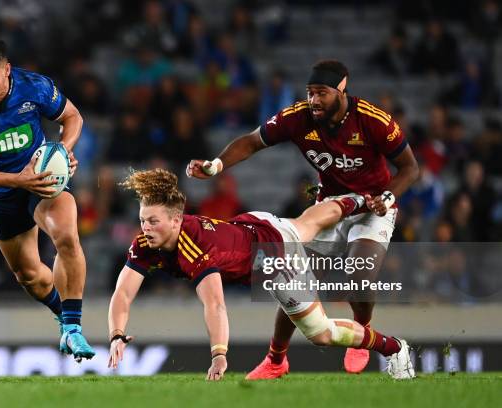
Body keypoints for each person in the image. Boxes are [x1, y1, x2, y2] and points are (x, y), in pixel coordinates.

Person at [187, 60, 419, 377]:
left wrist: (389, 196)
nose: (314, 100)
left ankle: (360, 333)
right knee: (294, 280)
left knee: (358, 279)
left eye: (321, 93)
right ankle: (276, 359)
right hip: (330, 205)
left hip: (374, 205)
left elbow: (410, 168)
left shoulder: (373, 119)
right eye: (310, 93)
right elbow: (251, 141)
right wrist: (216, 165)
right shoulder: (298, 117)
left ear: (341, 89)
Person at [107, 168, 415, 381]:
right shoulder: (145, 244)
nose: (145, 228)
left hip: (273, 254)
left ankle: (395, 348)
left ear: (176, 220)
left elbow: (215, 304)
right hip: (250, 225)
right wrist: (117, 335)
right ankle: (357, 199)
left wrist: (219, 355)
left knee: (321, 333)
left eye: (153, 221)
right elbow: (123, 293)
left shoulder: (195, 246)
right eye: (142, 220)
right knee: (305, 224)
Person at [0, 38, 94, 361]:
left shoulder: (34, 87)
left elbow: (73, 119)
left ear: (6, 70)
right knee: (29, 277)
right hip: (1, 193)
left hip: (41, 182)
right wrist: (17, 179)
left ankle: (73, 328)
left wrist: (62, 151)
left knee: (66, 235)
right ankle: (62, 315)